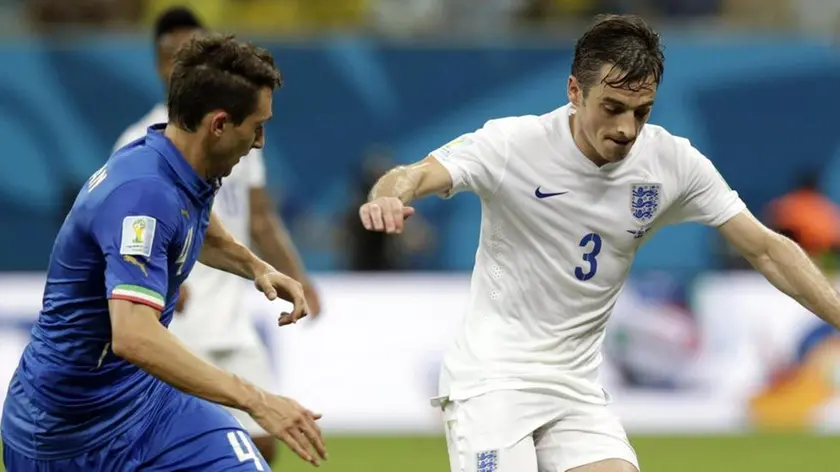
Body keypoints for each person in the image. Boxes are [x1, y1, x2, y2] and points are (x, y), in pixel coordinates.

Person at [359, 14, 840, 472]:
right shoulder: (512, 145)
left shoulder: (672, 163)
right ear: (574, 91)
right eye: (611, 108)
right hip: (492, 382)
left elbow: (766, 248)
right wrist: (387, 197)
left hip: (575, 387)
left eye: (641, 112)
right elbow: (412, 174)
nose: (626, 129)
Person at [2, 33, 327, 471]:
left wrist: (256, 268)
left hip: (147, 406)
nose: (260, 142)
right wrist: (256, 400)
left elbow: (203, 231)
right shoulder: (142, 195)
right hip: (66, 433)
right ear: (218, 125)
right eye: (256, 126)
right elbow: (133, 335)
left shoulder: (183, 164)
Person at [113, 7, 322, 463]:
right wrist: (167, 275)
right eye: (175, 55)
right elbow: (132, 235)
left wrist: (280, 272)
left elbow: (251, 219)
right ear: (161, 64)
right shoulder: (142, 149)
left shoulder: (235, 134)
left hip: (232, 318)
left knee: (264, 441)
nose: (260, 140)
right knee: (190, 445)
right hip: (172, 323)